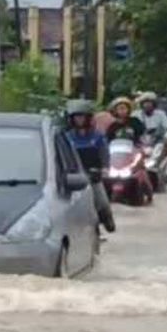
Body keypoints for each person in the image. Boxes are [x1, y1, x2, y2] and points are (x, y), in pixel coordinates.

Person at [65, 99, 116, 233]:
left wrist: (105, 168)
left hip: (93, 174)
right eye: (76, 117)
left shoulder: (97, 136)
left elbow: (104, 153)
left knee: (102, 201)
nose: (79, 120)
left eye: (82, 116)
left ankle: (107, 219)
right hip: (74, 175)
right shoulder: (67, 137)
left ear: (88, 118)